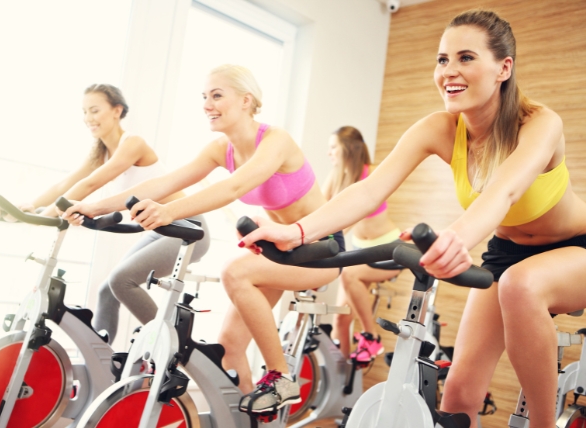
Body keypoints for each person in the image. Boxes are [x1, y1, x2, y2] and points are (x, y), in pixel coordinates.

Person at [238, 10, 586, 428]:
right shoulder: (440, 128)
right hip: (507, 253)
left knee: (519, 284)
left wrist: (454, 239)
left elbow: (505, 190)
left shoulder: (540, 123)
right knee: (457, 398)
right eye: (442, 60)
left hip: (574, 248)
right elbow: (369, 189)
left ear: (503, 68)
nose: (449, 72)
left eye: (465, 58)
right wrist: (297, 231)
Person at [62, 64, 344, 414]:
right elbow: (165, 184)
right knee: (228, 349)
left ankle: (281, 377)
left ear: (246, 100)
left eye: (217, 95)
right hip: (279, 252)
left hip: (320, 250)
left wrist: (169, 212)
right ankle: (247, 422)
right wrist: (92, 206)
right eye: (204, 96)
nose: (207, 104)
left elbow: (235, 186)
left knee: (236, 272)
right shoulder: (220, 149)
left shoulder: (276, 140)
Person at [0, 83, 210, 344]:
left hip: (187, 228)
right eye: (85, 112)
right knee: (107, 290)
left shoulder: (133, 143)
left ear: (116, 110)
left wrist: (50, 215)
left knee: (122, 280)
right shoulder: (101, 153)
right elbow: (65, 185)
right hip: (159, 229)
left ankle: (172, 346)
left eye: (95, 110)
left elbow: (89, 185)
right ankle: (100, 367)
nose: (89, 118)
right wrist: (31, 208)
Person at [324, 126, 401, 362]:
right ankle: (343, 378)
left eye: (333, 147)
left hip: (387, 250)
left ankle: (372, 336)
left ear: (348, 149)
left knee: (348, 275)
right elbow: (320, 209)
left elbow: (348, 218)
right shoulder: (338, 177)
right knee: (340, 319)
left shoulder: (371, 176)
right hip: (360, 251)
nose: (330, 153)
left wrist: (326, 242)